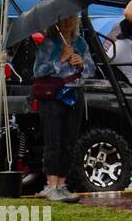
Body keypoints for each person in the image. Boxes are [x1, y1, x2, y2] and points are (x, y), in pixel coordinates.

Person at [32, 14, 96, 201]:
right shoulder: (49, 43)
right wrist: (60, 59)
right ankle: (51, 186)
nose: (69, 23)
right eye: (65, 20)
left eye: (72, 19)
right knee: (54, 141)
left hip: (74, 96)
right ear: (57, 23)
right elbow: (38, 70)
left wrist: (81, 63)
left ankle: (62, 184)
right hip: (53, 98)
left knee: (69, 142)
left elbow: (91, 69)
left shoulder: (80, 43)